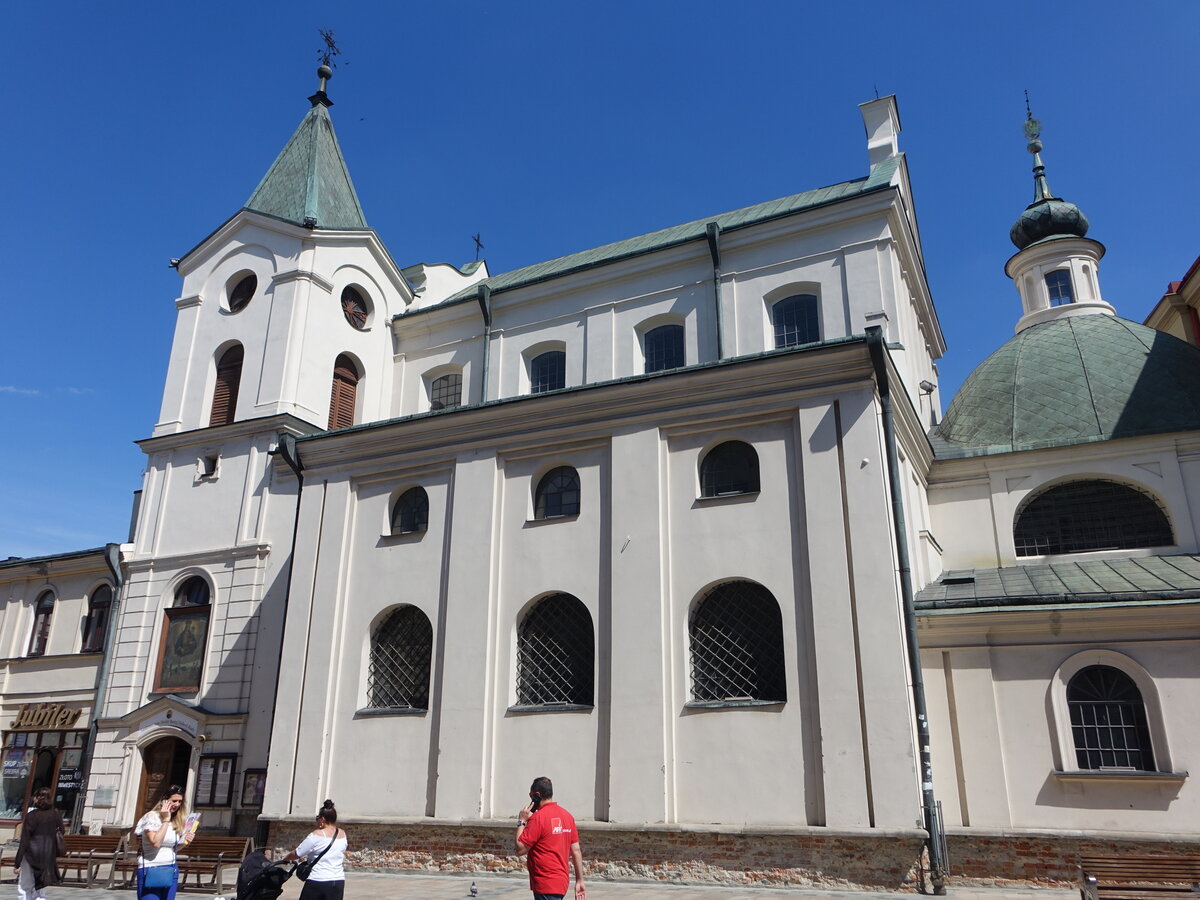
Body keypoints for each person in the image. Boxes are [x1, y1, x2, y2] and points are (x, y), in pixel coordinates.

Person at [515, 777, 585, 900]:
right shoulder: (567, 816)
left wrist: (521, 821)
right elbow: (576, 850)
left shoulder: (538, 818)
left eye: (531, 796)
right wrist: (580, 880)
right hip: (561, 883)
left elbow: (520, 849)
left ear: (537, 795)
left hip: (545, 883)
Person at [134, 784, 194, 900]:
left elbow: (172, 849)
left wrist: (185, 842)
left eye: (180, 801)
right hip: (151, 869)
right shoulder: (151, 817)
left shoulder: (176, 820)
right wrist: (165, 820)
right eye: (174, 801)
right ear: (164, 801)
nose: (176, 805)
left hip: (170, 868)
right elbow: (155, 843)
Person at [283, 799, 347, 900]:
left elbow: (297, 853)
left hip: (317, 880)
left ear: (322, 819)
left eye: (317, 818)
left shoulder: (316, 835)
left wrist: (286, 858)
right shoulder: (342, 834)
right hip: (337, 881)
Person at [14, 787, 63, 900]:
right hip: (47, 853)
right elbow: (62, 831)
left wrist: (17, 862)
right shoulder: (55, 814)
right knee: (40, 887)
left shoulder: (32, 816)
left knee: (25, 886)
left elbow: (25, 840)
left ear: (37, 798)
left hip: (31, 854)